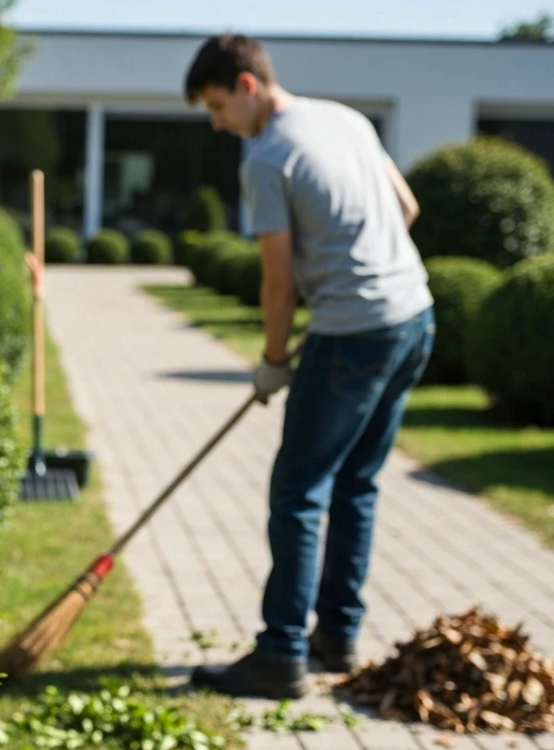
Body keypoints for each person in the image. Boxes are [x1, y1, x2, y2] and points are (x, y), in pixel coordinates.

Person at [183, 34, 436, 699]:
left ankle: (281, 655)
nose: (215, 124)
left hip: (352, 335)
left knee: (298, 492)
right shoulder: (346, 119)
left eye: (216, 107)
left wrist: (271, 361)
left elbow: (277, 283)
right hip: (413, 317)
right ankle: (337, 635)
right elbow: (406, 209)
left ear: (246, 85)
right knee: (356, 483)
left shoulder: (268, 157)